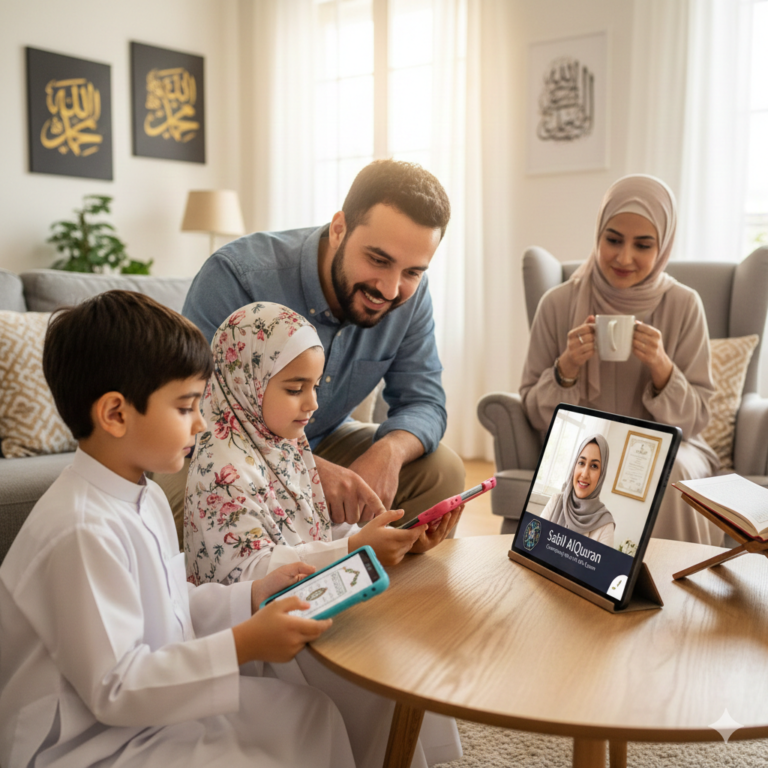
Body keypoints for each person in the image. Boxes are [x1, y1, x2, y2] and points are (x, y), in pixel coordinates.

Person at [0, 291, 355, 768]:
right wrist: (243, 643)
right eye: (187, 407)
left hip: (141, 712)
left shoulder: (142, 495)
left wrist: (250, 596)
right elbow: (116, 689)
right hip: (83, 742)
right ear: (116, 414)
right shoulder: (80, 530)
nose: (202, 423)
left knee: (312, 712)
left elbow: (166, 606)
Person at [185, 300, 463, 768]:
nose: (313, 403)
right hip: (262, 629)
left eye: (314, 386)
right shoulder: (222, 467)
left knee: (407, 630)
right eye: (296, 388)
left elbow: (310, 523)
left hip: (311, 592)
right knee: (375, 662)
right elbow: (252, 575)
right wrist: (351, 548)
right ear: (246, 384)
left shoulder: (285, 442)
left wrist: (390, 538)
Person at [169, 159, 465, 532]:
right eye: (378, 260)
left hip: (325, 441)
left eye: (412, 272)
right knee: (194, 509)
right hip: (226, 453)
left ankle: (372, 576)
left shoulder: (412, 297)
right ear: (339, 229)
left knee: (442, 472)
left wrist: (389, 451)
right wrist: (301, 467)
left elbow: (425, 401)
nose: (390, 290)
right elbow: (200, 406)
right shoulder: (237, 276)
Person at [520, 173, 722, 546]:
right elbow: (535, 412)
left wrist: (662, 367)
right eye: (612, 240)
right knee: (587, 474)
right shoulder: (558, 304)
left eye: (643, 245)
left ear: (662, 247)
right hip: (592, 445)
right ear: (597, 235)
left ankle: (677, 586)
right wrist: (566, 368)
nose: (624, 257)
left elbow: (698, 419)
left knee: (668, 467)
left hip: (673, 443)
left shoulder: (684, 304)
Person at [539, 435, 615, 547]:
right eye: (581, 463)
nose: (584, 474)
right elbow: (533, 545)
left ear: (601, 474)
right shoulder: (556, 501)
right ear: (574, 466)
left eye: (594, 466)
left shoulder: (605, 525)